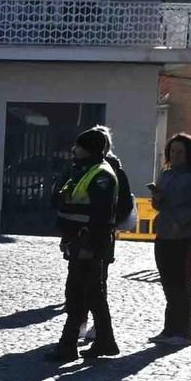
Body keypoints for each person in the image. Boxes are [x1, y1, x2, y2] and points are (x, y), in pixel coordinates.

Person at [45, 127, 130, 364]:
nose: (74, 149)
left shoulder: (101, 174)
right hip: (77, 240)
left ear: (89, 148)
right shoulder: (83, 170)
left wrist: (90, 244)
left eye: (78, 146)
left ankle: (68, 345)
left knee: (80, 293)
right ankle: (105, 341)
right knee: (91, 294)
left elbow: (101, 215)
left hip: (90, 243)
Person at [149, 134, 191, 347]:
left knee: (183, 283)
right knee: (168, 283)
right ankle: (170, 329)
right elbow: (160, 205)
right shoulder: (166, 175)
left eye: (180, 152)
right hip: (165, 234)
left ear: (189, 155)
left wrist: (182, 219)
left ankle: (186, 331)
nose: (175, 156)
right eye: (172, 151)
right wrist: (157, 200)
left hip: (186, 236)